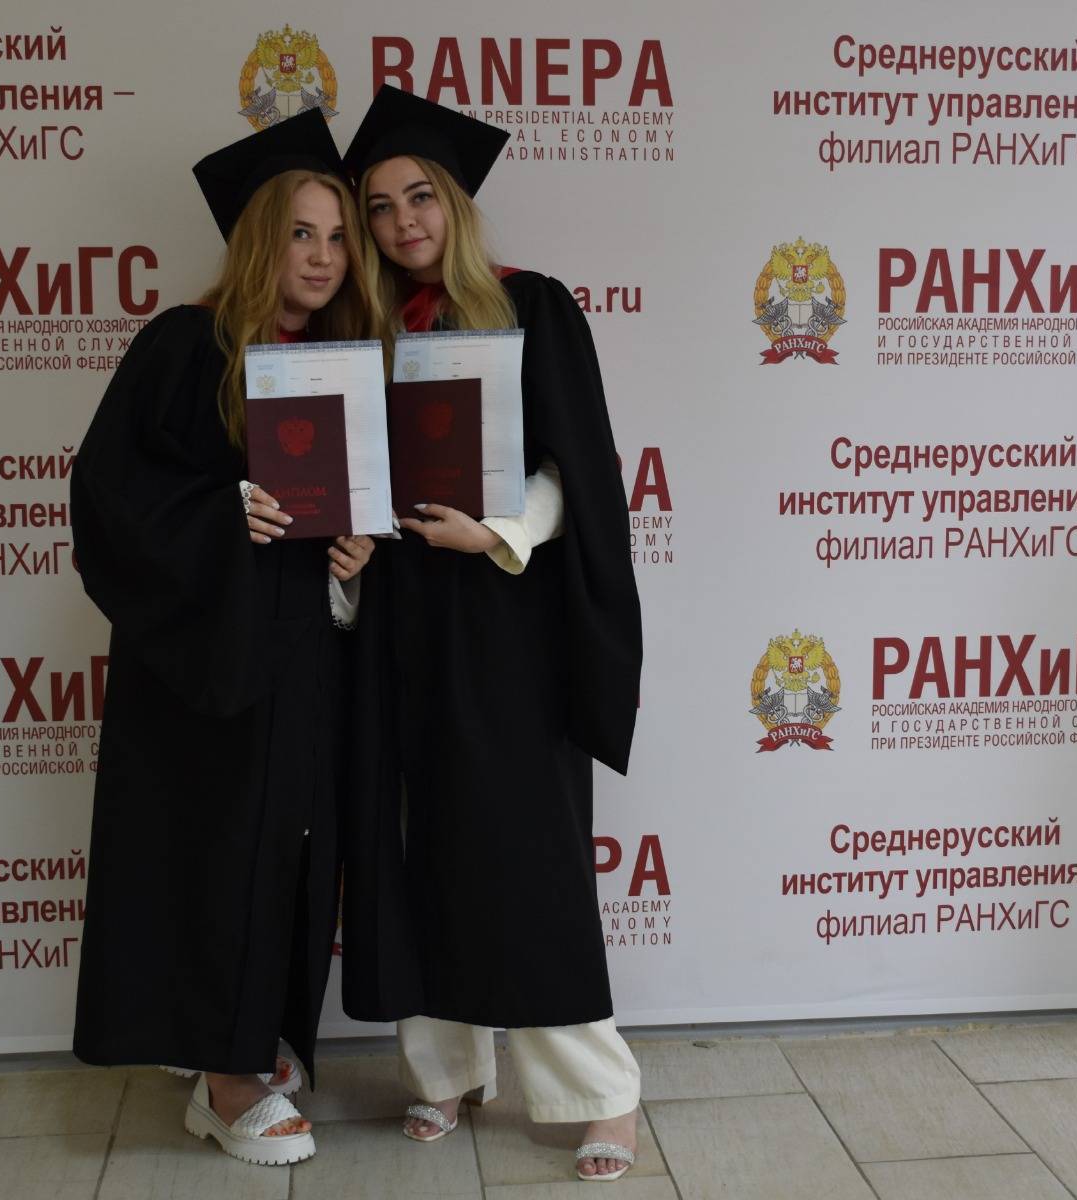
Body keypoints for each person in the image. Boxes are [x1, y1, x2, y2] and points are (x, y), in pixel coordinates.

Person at [338, 86, 645, 1183]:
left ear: (457, 203)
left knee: (528, 850)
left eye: (419, 196)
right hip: (395, 616)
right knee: (412, 841)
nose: (402, 222)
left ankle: (600, 1095)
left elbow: (580, 473)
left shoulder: (532, 307)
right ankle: (444, 1074)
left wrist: (498, 534)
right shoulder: (361, 334)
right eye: (379, 207)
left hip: (507, 611)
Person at [68, 108, 382, 1168]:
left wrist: (352, 562)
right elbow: (110, 499)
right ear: (258, 239)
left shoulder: (339, 362)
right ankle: (224, 1079)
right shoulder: (182, 344)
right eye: (301, 234)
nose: (323, 257)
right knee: (216, 857)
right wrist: (221, 513)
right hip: (204, 675)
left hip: (305, 661)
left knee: (287, 857)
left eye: (337, 237)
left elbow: (346, 513)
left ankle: (250, 1039)